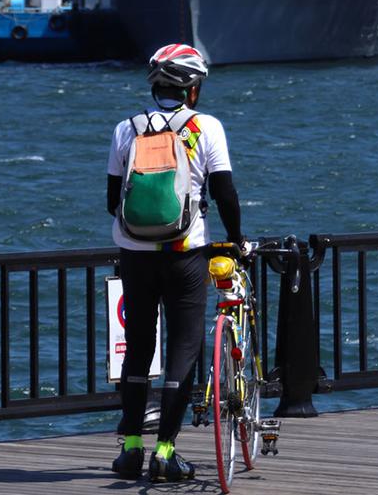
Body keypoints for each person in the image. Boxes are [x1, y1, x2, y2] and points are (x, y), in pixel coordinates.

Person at [106, 44, 244, 482]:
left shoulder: (125, 130)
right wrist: (237, 241)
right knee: (183, 348)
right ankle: (166, 451)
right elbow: (224, 193)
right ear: (192, 89)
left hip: (135, 253)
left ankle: (130, 450)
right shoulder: (206, 127)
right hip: (186, 253)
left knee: (140, 347)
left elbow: (113, 201)